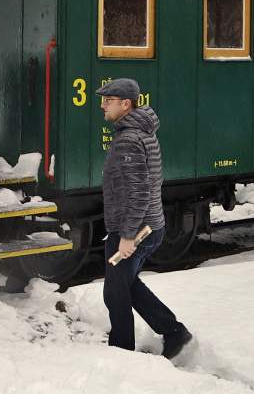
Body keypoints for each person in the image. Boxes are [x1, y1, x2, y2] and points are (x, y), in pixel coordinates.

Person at [96, 78, 192, 360]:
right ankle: (173, 331)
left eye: (108, 100)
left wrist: (127, 237)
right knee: (124, 286)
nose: (102, 105)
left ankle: (122, 353)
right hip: (146, 225)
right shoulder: (140, 133)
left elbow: (138, 193)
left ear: (126, 104)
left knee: (115, 294)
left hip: (135, 229)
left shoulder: (128, 139)